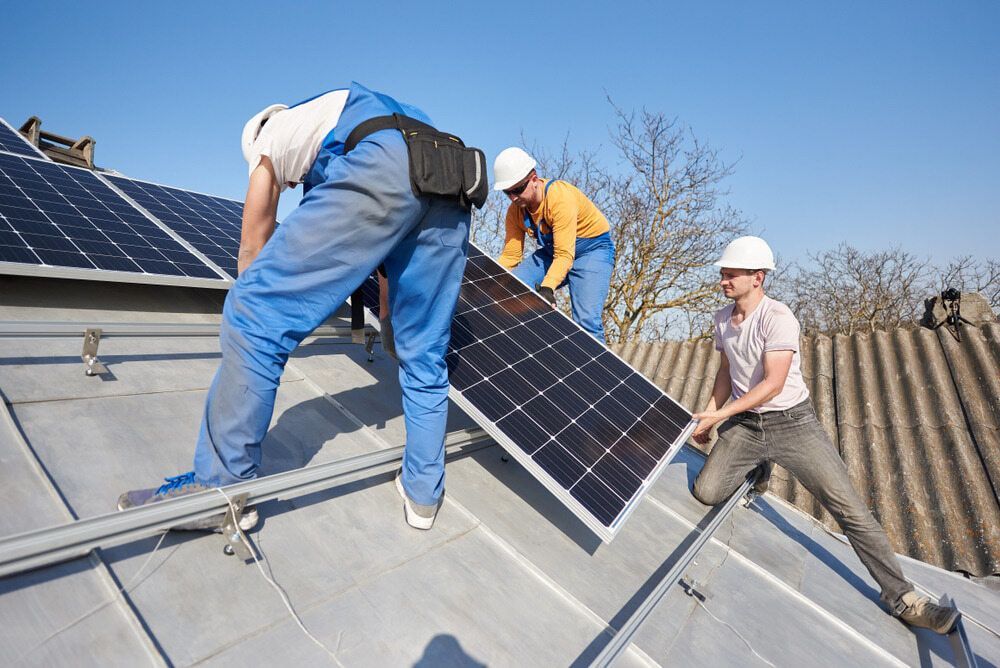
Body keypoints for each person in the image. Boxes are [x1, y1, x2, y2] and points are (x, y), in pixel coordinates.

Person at [118, 82, 471, 531]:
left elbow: (254, 240)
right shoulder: (363, 113)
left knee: (253, 314)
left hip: (385, 165)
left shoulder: (272, 135)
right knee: (423, 352)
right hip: (451, 172)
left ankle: (219, 492)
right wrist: (388, 320)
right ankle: (423, 495)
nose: (287, 183)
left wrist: (253, 323)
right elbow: (391, 234)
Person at [690, 235, 960, 634]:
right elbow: (727, 371)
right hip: (747, 427)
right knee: (706, 492)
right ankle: (757, 467)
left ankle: (904, 598)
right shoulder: (720, 319)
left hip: (792, 424)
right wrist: (711, 416)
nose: (723, 280)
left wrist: (721, 415)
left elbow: (773, 385)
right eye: (723, 273)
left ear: (757, 278)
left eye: (731, 274)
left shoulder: (778, 318)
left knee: (849, 510)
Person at [492, 147, 615, 343]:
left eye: (517, 189)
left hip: (592, 251)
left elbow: (565, 255)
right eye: (508, 192)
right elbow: (510, 256)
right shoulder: (515, 212)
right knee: (512, 290)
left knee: (586, 322)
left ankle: (592, 370)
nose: (513, 197)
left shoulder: (559, 198)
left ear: (534, 179)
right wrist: (491, 283)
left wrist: (547, 289)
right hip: (553, 253)